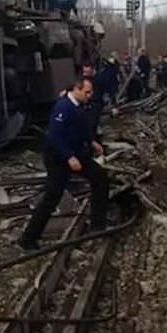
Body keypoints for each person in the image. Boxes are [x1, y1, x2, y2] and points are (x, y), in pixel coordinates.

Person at [19, 78, 109, 250]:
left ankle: (98, 225)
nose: (90, 96)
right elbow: (54, 136)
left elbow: (80, 129)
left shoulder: (78, 106)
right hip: (58, 158)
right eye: (87, 92)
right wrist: (69, 157)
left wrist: (91, 142)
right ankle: (28, 239)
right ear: (76, 89)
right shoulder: (63, 107)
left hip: (76, 153)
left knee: (101, 178)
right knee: (52, 196)